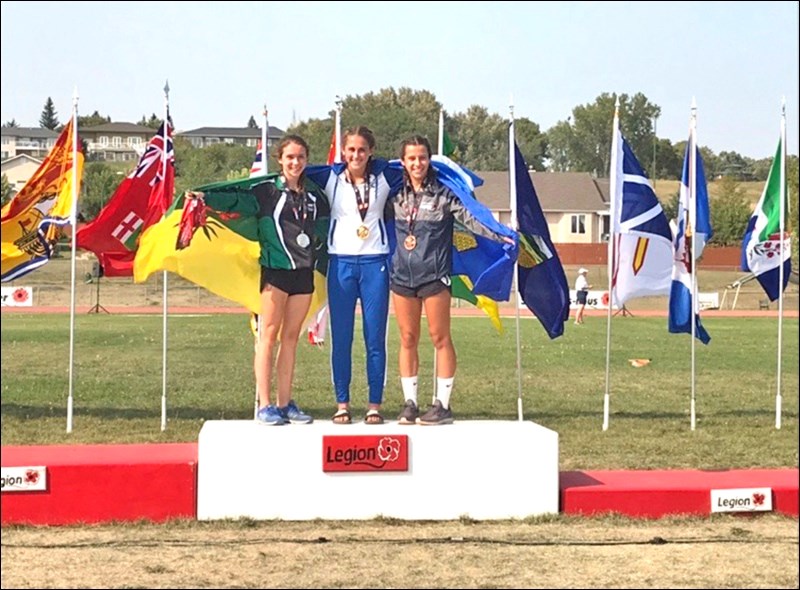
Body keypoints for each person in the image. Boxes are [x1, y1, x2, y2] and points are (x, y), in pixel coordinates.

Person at [185, 135, 328, 425]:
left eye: (300, 157)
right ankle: (265, 405)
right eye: (290, 157)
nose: (295, 162)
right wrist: (206, 198)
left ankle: (285, 403)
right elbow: (237, 199)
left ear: (307, 159)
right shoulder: (266, 191)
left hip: (303, 273)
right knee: (268, 337)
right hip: (275, 273)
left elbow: (327, 223)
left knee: (290, 339)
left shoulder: (314, 194)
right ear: (280, 159)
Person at [390, 135, 515, 425]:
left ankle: (442, 405)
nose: (417, 163)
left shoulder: (444, 196)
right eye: (411, 158)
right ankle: (410, 403)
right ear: (403, 162)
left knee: (440, 337)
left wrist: (502, 234)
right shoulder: (395, 196)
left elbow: (473, 219)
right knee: (407, 338)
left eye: (422, 157)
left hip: (434, 276)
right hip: (402, 277)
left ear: (429, 160)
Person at [306, 126, 402, 425]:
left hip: (375, 264)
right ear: (342, 152)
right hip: (341, 264)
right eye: (351, 150)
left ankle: (374, 404)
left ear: (370, 151)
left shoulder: (384, 177)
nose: (356, 155)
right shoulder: (331, 178)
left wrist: (382, 163)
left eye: (362, 149)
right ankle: (342, 403)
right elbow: (294, 171)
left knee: (375, 338)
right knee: (342, 338)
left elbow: (414, 166)